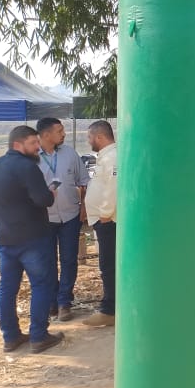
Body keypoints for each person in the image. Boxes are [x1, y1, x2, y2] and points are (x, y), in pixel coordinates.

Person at [0, 126, 64, 354]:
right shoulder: (27, 167)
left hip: (5, 237)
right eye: (33, 143)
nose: (37, 148)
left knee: (7, 288)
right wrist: (51, 194)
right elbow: (43, 200)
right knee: (41, 285)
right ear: (18, 144)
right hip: (33, 236)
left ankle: (11, 337)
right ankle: (39, 336)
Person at [36, 118, 90, 322]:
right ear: (46, 134)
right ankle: (52, 301)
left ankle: (64, 302)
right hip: (44, 219)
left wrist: (84, 206)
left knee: (69, 260)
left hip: (70, 216)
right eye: (59, 130)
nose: (63, 134)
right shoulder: (32, 157)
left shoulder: (69, 154)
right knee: (48, 262)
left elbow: (84, 181)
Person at [82, 120, 117, 328]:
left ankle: (109, 309)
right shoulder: (106, 156)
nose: (88, 141)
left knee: (109, 265)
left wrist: (105, 213)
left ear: (99, 137)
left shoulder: (112, 157)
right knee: (107, 264)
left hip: (109, 221)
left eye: (89, 137)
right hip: (104, 220)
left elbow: (113, 187)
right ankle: (110, 306)